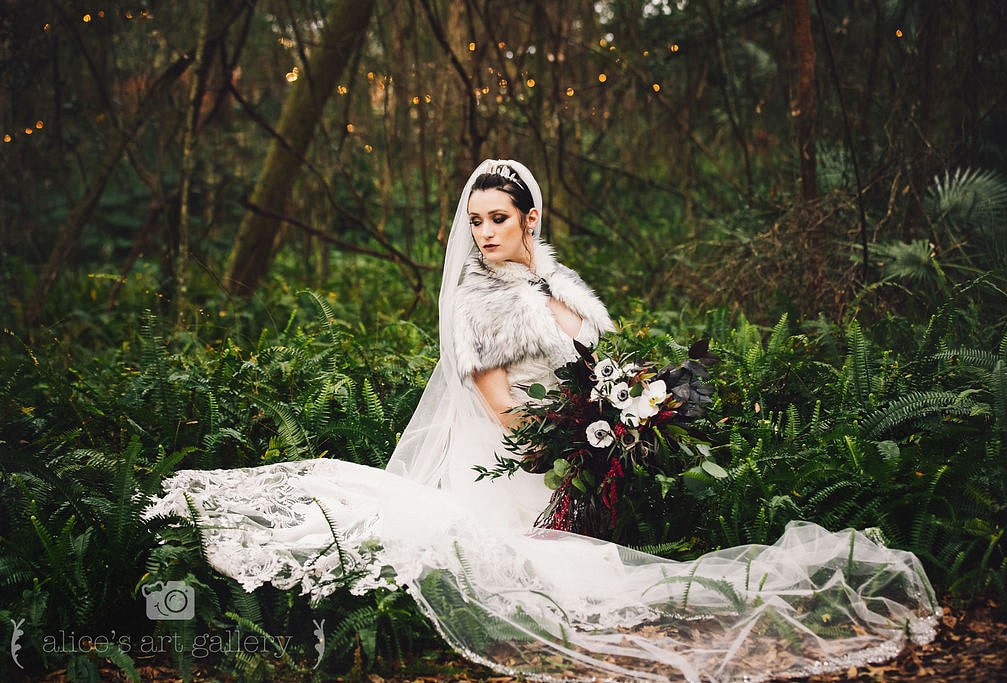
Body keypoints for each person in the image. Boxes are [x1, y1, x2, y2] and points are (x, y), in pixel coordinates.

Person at [148, 160, 939, 681]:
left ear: (532, 218)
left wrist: (626, 413)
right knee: (556, 579)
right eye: (476, 219)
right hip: (511, 463)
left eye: (499, 217)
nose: (485, 232)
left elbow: (596, 365)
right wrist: (572, 436)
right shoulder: (474, 302)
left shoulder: (562, 288)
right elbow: (498, 405)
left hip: (574, 454)